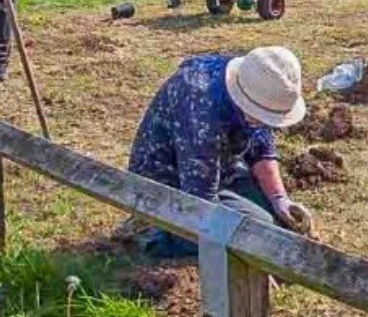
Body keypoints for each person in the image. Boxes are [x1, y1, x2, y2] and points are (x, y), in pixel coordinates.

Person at [127, 46, 314, 257]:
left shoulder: (255, 82)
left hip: (221, 165)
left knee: (278, 223)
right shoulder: (200, 104)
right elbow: (201, 200)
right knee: (259, 233)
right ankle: (152, 234)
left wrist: (279, 199)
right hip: (169, 182)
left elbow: (261, 146)